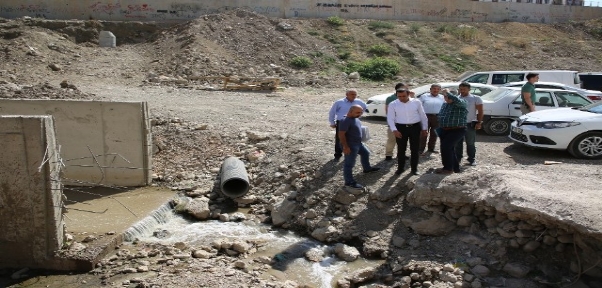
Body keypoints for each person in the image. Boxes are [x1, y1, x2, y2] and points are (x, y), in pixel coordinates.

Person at [387, 88, 428, 175]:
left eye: (404, 96)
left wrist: (424, 128)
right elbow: (390, 118)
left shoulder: (416, 102)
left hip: (415, 127)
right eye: (399, 96)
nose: (401, 98)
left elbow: (422, 115)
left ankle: (414, 169)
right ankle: (400, 168)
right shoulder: (393, 104)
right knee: (401, 149)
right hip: (401, 128)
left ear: (408, 94)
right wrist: (394, 130)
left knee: (415, 149)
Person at [338, 105, 380, 189]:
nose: (360, 114)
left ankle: (367, 169)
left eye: (361, 112)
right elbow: (341, 134)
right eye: (358, 112)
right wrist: (345, 147)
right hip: (350, 145)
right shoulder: (345, 120)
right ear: (350, 111)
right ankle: (349, 182)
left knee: (366, 153)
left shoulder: (355, 118)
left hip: (358, 143)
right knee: (349, 164)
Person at [328, 89, 367, 160]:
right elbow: (332, 112)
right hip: (342, 121)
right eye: (352, 94)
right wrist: (332, 122)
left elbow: (365, 107)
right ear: (347, 95)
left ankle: (352, 153)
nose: (354, 96)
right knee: (339, 138)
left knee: (353, 137)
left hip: (354, 121)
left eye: (355, 94)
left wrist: (359, 114)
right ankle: (338, 154)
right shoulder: (339, 102)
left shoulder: (359, 102)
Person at [436, 89, 468, 174]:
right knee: (447, 148)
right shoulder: (445, 104)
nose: (447, 98)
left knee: (446, 147)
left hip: (457, 129)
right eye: (445, 96)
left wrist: (448, 93)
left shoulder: (461, 103)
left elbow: (457, 100)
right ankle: (454, 168)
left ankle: (448, 168)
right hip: (444, 129)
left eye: (448, 96)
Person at [454, 82, 484, 166]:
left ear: (469, 89)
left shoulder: (475, 98)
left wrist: (479, 122)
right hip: (458, 124)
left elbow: (480, 111)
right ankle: (458, 159)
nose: (462, 91)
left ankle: (471, 159)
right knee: (457, 143)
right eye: (460, 89)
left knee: (470, 143)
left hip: (469, 124)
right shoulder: (456, 98)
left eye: (464, 89)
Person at [384, 83, 414, 161]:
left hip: (404, 123)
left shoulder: (409, 98)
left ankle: (401, 154)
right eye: (405, 88)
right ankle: (388, 154)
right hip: (394, 123)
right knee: (392, 139)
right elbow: (388, 112)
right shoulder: (391, 98)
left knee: (402, 140)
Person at [418, 84, 445, 155]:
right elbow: (418, 106)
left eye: (437, 89)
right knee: (423, 133)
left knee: (434, 133)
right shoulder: (424, 96)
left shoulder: (442, 97)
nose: (435, 90)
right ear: (430, 89)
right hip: (425, 116)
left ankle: (431, 148)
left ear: (440, 90)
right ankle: (420, 149)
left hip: (437, 117)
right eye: (434, 89)